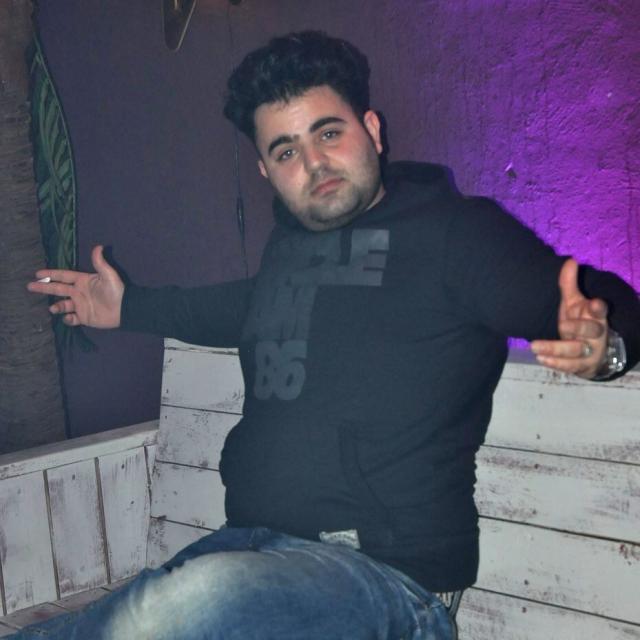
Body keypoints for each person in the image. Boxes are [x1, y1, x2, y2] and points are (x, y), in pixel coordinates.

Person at [20, 30, 639, 640]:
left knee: (168, 610)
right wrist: (129, 307)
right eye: (286, 151)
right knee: (101, 621)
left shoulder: (458, 237)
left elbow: (591, 299)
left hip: (387, 581)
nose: (314, 164)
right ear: (266, 170)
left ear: (372, 130)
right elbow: (233, 308)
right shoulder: (288, 252)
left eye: (328, 133)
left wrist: (606, 343)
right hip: (247, 551)